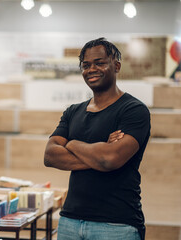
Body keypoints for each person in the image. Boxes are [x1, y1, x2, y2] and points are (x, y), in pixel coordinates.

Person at [44, 38, 150, 240]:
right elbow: (50, 156)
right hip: (70, 221)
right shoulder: (73, 111)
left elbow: (109, 159)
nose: (92, 69)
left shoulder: (133, 110)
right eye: (86, 65)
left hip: (116, 224)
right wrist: (99, 152)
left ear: (116, 66)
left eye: (100, 63)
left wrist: (72, 144)